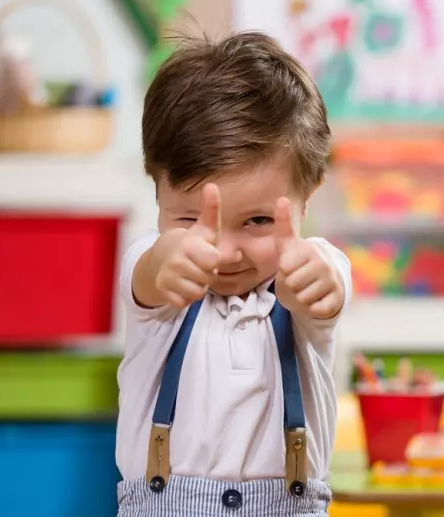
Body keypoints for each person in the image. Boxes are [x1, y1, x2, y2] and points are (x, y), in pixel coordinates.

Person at [115, 33, 351, 516]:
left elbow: (323, 287)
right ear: (156, 191)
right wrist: (172, 256)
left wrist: (311, 286)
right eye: (190, 220)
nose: (223, 251)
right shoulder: (154, 267)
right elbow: (151, 271)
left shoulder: (314, 265)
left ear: (309, 195)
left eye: (258, 221)